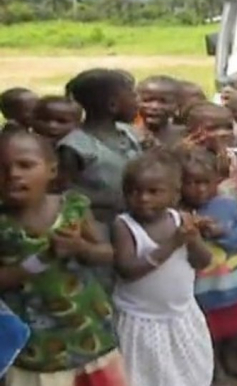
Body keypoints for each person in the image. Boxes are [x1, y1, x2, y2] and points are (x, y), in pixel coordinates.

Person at [0, 129, 126, 386]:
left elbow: (108, 253)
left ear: (51, 170)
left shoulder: (73, 207)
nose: (13, 175)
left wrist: (81, 247)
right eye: (2, 168)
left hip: (89, 332)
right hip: (35, 348)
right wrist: (40, 260)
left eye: (25, 165)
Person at [111, 150, 214, 386]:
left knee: (187, 371)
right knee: (142, 375)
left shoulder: (181, 220)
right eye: (134, 192)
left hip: (180, 316)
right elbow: (127, 270)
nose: (144, 198)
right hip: (140, 319)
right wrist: (171, 244)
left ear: (175, 195)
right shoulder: (124, 225)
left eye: (153, 192)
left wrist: (193, 240)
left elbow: (203, 261)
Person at [178, 148, 237, 384]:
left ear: (217, 181)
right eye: (191, 183)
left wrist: (221, 232)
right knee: (207, 332)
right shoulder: (178, 213)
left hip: (232, 283)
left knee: (233, 328)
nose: (200, 189)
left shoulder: (227, 205)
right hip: (200, 288)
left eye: (205, 182)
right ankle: (213, 368)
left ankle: (231, 360)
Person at [59, 69, 141, 294]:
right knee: (107, 284)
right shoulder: (76, 147)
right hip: (99, 230)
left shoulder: (129, 134)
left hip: (135, 223)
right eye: (132, 95)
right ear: (112, 105)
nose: (138, 100)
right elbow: (64, 193)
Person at [182, 102, 237, 196]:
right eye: (212, 129)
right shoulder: (185, 158)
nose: (223, 133)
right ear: (191, 131)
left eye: (228, 127)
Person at [134, 76, 184, 149]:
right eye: (147, 100)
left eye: (163, 102)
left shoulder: (184, 136)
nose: (154, 107)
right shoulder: (126, 134)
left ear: (178, 105)